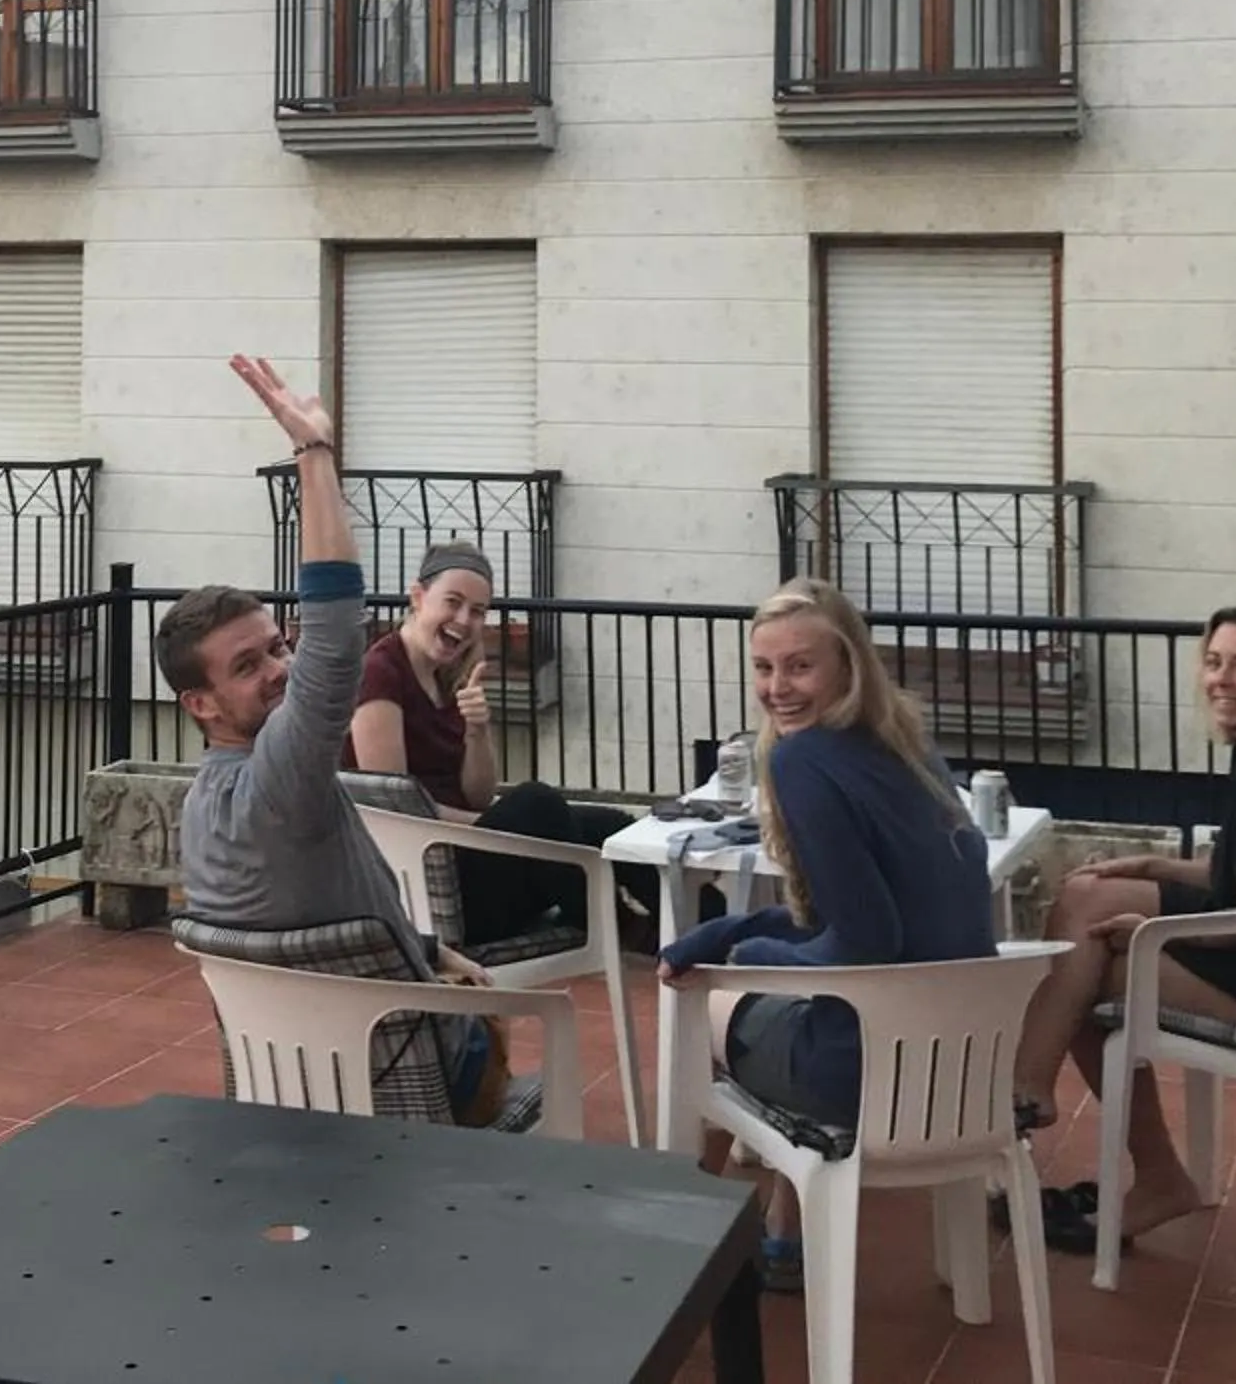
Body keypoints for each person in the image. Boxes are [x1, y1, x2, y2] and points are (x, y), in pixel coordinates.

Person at [160, 354, 503, 1116]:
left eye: (275, 647)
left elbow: (321, 909)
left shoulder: (203, 806)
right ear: (202, 705)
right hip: (399, 1078)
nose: (280, 670)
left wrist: (430, 947)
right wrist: (315, 455)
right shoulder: (280, 780)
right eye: (247, 666)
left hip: (288, 1088)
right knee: (500, 1025)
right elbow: (337, 637)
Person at [656, 579, 996, 1291]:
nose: (778, 687)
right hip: (962, 1070)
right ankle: (784, 1233)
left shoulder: (801, 760)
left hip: (869, 1077)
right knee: (787, 995)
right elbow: (863, 920)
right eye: (763, 667)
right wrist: (736, 925)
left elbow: (863, 943)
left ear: (847, 665)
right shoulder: (908, 746)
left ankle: (672, 1244)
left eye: (800, 666)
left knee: (706, 1010)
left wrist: (747, 953)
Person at [1010, 603, 1236, 1254]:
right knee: (1091, 893)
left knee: (1093, 977)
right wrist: (1149, 868)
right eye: (1213, 663)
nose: (1222, 680)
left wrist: (1153, 935)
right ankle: (1030, 1085)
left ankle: (1107, 1148)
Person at [340, 538, 654, 946]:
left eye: (477, 611)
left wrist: (477, 729)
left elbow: (478, 793)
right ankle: (620, 928)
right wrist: (495, 829)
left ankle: (700, 927)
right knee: (536, 805)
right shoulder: (381, 673)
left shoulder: (448, 676)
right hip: (427, 891)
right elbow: (398, 809)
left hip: (469, 861)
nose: (464, 619)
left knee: (610, 826)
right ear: (418, 597)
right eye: (452, 602)